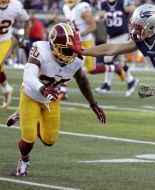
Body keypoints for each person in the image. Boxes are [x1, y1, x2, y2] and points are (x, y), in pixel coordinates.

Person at [68, 4, 155, 189]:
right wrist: (82, 50)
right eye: (135, 24)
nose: (134, 29)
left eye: (139, 26)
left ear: (151, 26)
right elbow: (111, 49)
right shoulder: (140, 40)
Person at [10, 23, 106, 177]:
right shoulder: (40, 49)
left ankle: (28, 116)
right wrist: (42, 88)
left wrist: (93, 103)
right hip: (31, 95)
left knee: (49, 140)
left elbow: (82, 80)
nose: (69, 54)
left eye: (70, 49)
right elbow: (28, 75)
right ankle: (24, 161)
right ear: (53, 45)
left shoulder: (76, 59)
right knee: (29, 138)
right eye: (65, 50)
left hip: (52, 98)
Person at [62, 0, 125, 99]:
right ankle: (63, 92)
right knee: (66, 63)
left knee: (92, 70)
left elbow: (93, 26)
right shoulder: (67, 8)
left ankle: (115, 68)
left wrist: (78, 36)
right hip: (75, 43)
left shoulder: (82, 6)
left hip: (86, 42)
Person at [95, 0, 139, 97]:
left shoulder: (123, 2)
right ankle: (131, 80)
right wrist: (99, 16)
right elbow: (98, 20)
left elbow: (135, 11)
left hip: (122, 35)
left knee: (108, 58)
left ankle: (107, 85)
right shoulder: (102, 5)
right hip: (111, 37)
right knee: (120, 62)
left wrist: (130, 9)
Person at [0, 0, 29, 108]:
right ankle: (7, 89)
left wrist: (25, 38)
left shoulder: (15, 6)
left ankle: (7, 89)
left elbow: (26, 20)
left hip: (4, 40)